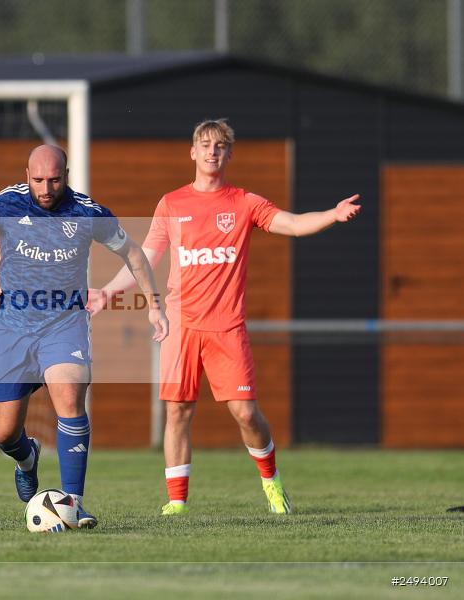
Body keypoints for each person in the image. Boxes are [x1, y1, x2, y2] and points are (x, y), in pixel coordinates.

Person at [90, 119, 361, 516]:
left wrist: (331, 214)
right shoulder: (172, 203)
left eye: (220, 146)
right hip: (181, 325)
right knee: (178, 410)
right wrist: (108, 291)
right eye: (205, 144)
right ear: (193, 152)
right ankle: (177, 502)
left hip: (226, 326)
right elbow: (146, 258)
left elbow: (291, 223)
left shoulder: (244, 203)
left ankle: (272, 482)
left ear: (229, 154)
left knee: (245, 413)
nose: (212, 151)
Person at [0, 144, 167, 529]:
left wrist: (154, 304)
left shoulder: (87, 213)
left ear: (66, 176)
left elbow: (135, 255)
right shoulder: (7, 203)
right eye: (38, 179)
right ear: (27, 175)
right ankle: (27, 458)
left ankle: (74, 502)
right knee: (4, 432)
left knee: (69, 394)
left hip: (65, 323)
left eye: (54, 179)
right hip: (14, 327)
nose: (46, 187)